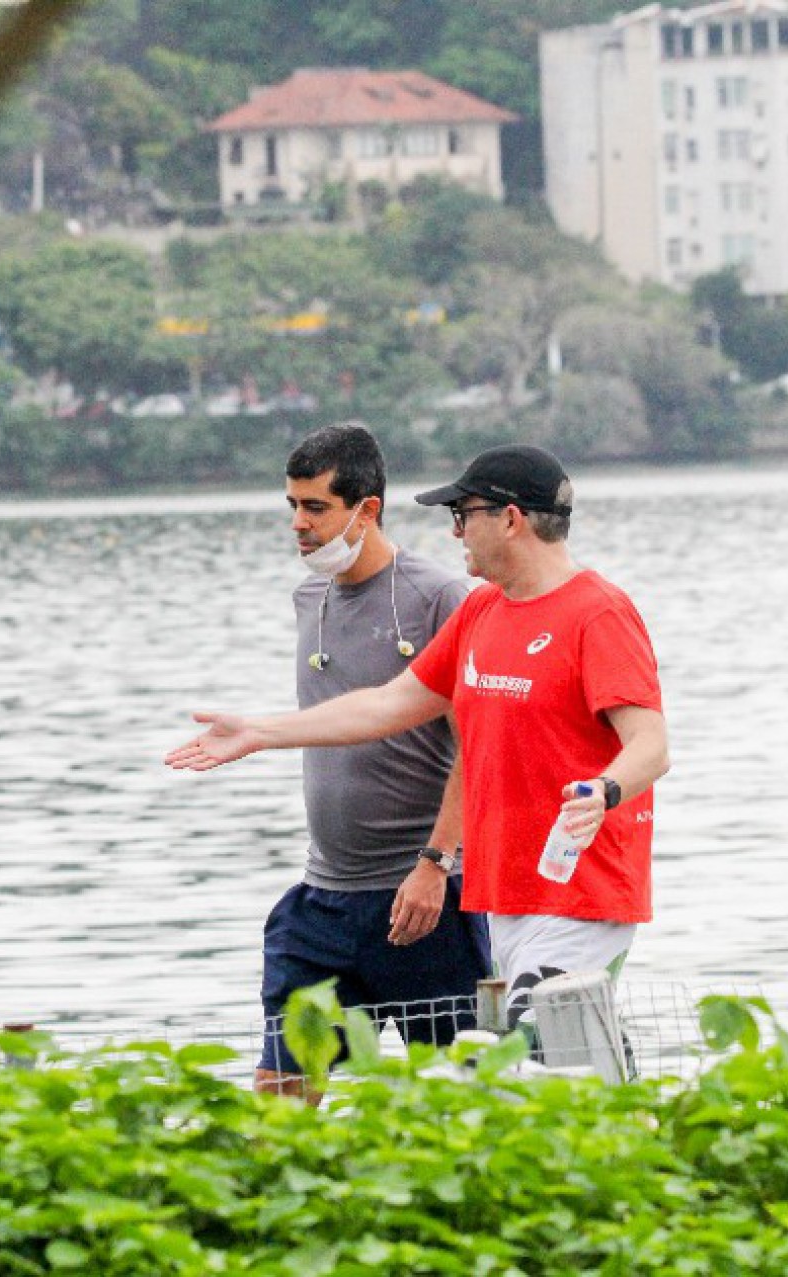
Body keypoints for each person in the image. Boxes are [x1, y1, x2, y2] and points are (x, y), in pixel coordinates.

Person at [167, 443, 667, 1039]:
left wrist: (605, 790)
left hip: (583, 891)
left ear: (509, 519)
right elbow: (390, 703)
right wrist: (257, 733)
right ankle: (635, 1110)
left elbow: (651, 744)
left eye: (464, 515)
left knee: (540, 1050)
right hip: (503, 890)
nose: (456, 533)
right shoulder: (482, 612)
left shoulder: (597, 612)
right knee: (561, 1067)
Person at [250, 422, 487, 1097]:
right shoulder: (310, 597)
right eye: (291, 505)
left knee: (449, 1097)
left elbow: (475, 747)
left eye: (315, 507)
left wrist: (435, 864)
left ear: (367, 508)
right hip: (323, 900)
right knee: (283, 1084)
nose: (298, 523)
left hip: (423, 898)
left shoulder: (442, 597)